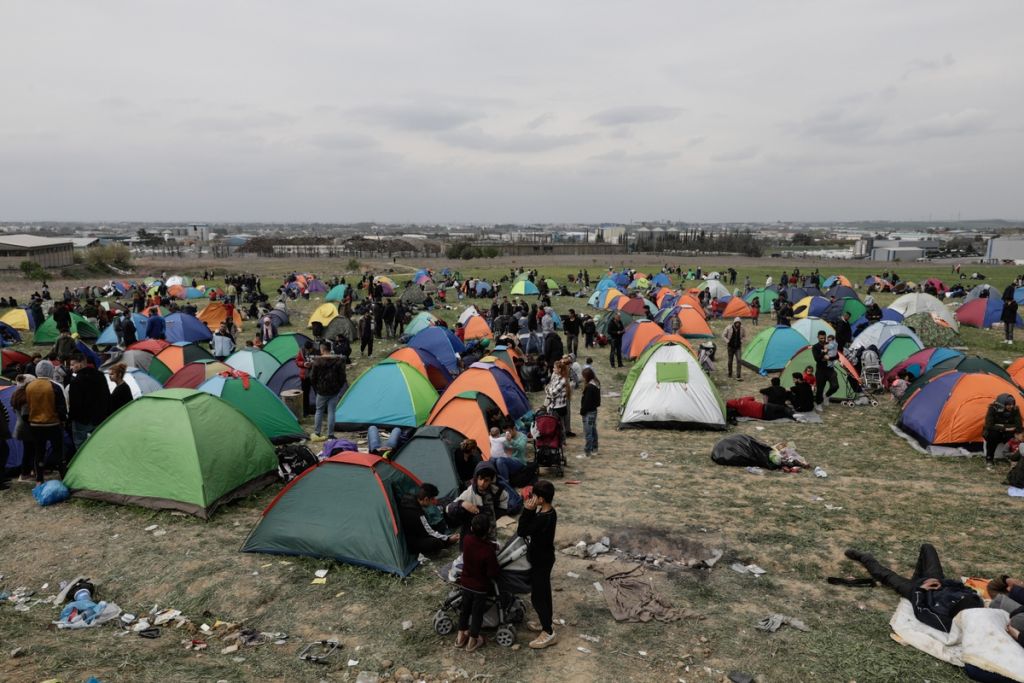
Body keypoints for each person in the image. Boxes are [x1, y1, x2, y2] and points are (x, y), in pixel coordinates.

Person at [844, 545, 982, 633]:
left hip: (918, 591)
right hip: (937, 582)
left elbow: (920, 610)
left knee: (884, 575)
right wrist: (942, 582)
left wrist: (921, 589)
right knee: (927, 548)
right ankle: (917, 577)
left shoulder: (946, 622)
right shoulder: (976, 601)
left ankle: (863, 557)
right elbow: (963, 587)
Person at [519, 480, 559, 649]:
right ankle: (545, 623)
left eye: (535, 496)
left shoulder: (542, 518)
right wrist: (533, 510)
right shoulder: (550, 512)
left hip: (541, 561)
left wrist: (527, 511)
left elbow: (522, 530)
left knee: (539, 596)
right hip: (545, 557)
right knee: (543, 593)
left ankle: (548, 632)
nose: (533, 498)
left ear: (541, 499)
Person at [454, 513, 500, 653]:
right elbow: (493, 572)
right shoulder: (488, 551)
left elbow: (477, 545)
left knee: (465, 610)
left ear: (472, 529)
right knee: (477, 613)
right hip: (480, 588)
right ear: (488, 531)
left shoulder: (467, 540)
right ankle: (473, 640)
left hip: (466, 583)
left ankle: (460, 637)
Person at [446, 462, 509, 543]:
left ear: (491, 480)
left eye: (486, 480)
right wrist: (462, 503)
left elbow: (503, 505)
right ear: (476, 478)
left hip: (490, 532)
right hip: (472, 533)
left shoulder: (497, 491)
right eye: (480, 479)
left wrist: (490, 515)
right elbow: (448, 509)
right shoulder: (470, 493)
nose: (482, 483)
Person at [25, 361, 67, 482]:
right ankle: (63, 476)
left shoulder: (29, 386)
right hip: (53, 424)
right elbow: (61, 408)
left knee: (39, 451)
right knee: (59, 451)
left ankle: (39, 479)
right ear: (50, 370)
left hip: (35, 424)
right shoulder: (55, 386)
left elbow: (28, 407)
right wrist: (63, 420)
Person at [398, 483, 459, 556]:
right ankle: (437, 551)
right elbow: (429, 532)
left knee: (438, 527)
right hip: (414, 543)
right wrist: (448, 539)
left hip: (418, 533)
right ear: (426, 499)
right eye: (432, 499)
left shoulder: (409, 500)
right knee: (436, 542)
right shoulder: (416, 513)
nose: (433, 502)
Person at [67, 352, 110, 448]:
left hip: (82, 419)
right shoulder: (100, 375)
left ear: (81, 363)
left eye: (73, 364)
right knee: (98, 443)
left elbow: (75, 403)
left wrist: (70, 418)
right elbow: (106, 395)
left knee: (80, 445)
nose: (71, 367)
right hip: (99, 417)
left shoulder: (76, 380)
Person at [309, 342, 347, 439]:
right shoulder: (338, 361)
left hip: (321, 391)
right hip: (334, 390)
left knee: (319, 411)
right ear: (330, 349)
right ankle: (330, 434)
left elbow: (312, 377)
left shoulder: (317, 362)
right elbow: (342, 377)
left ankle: (317, 432)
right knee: (331, 412)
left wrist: (316, 388)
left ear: (322, 350)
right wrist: (338, 387)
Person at [983, 393, 1022, 468]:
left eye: (1012, 404)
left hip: (1008, 433)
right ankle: (989, 459)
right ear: (1002, 404)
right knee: (992, 435)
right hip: (996, 432)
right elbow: (989, 425)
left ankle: (1013, 458)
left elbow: (1018, 425)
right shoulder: (993, 409)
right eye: (1009, 404)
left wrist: (1001, 426)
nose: (1011, 406)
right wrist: (1004, 428)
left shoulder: (1015, 409)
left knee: (1015, 437)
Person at [812, 331, 838, 411]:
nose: (823, 340)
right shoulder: (815, 347)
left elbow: (836, 355)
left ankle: (826, 396)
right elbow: (817, 359)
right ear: (818, 337)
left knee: (835, 386)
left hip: (830, 369)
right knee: (820, 389)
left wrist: (829, 358)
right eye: (821, 338)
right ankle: (818, 403)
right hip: (820, 370)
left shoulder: (830, 344)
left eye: (824, 338)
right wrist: (824, 352)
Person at [545, 361, 570, 438]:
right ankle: (559, 442)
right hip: (553, 406)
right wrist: (549, 390)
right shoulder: (555, 376)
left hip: (559, 407)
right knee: (555, 426)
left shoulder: (563, 380)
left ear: (559, 369)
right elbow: (547, 387)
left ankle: (561, 441)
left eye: (554, 368)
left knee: (559, 426)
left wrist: (548, 390)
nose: (553, 369)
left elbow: (553, 393)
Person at [580, 367, 600, 457]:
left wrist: (582, 411)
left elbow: (587, 402)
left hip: (589, 412)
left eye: (583, 376)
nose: (582, 378)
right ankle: (594, 448)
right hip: (593, 411)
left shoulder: (590, 387)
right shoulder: (596, 384)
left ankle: (587, 452)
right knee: (593, 430)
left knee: (588, 432)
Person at [296, 341, 315, 417]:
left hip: (314, 375)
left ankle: (320, 410)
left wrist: (313, 363)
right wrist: (303, 364)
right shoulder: (301, 351)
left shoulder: (316, 351)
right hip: (305, 376)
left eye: (309, 350)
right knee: (305, 394)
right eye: (307, 350)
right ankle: (306, 411)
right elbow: (297, 361)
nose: (308, 351)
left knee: (318, 393)